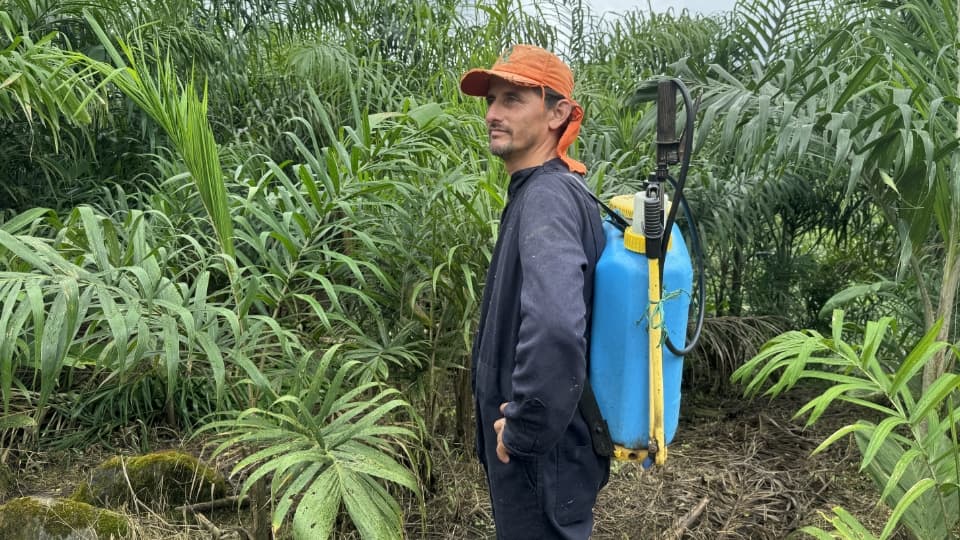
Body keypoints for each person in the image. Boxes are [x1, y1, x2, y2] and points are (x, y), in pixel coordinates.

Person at [461, 44, 610, 539]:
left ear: (558, 113)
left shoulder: (547, 196)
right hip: (547, 459)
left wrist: (524, 427)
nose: (492, 113)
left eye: (512, 99)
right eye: (491, 100)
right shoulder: (547, 192)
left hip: (540, 460)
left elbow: (554, 325)